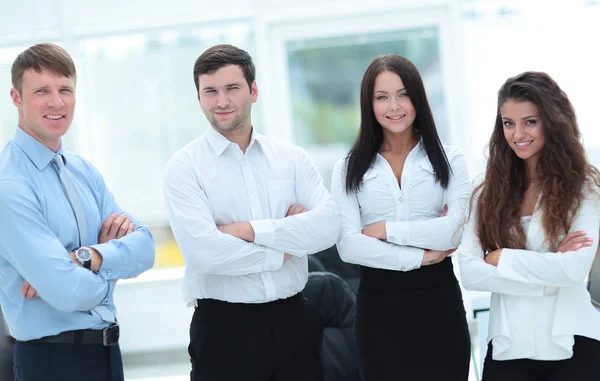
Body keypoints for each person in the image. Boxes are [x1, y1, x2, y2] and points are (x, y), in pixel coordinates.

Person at [164, 44, 340, 381]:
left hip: (294, 323)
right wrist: (286, 245)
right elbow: (205, 254)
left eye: (232, 88)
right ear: (199, 98)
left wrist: (247, 230)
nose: (222, 101)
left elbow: (329, 226)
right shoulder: (184, 168)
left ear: (253, 90)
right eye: (210, 91)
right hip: (223, 331)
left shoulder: (292, 158)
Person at [0, 43, 155, 381]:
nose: (57, 102)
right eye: (42, 91)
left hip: (106, 354)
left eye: (65, 90)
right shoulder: (8, 183)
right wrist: (111, 268)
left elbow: (145, 248)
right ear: (16, 97)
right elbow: (66, 291)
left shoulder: (82, 170)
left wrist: (86, 257)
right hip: (52, 362)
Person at [331, 54, 471, 380]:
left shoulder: (450, 160)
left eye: (403, 94)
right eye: (382, 97)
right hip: (379, 310)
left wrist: (382, 229)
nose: (394, 106)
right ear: (370, 104)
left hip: (440, 303)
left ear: (418, 97)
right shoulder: (348, 169)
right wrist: (421, 257)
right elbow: (349, 247)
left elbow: (452, 232)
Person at [458, 71, 600, 380]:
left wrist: (502, 259)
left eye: (530, 121)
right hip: (508, 347)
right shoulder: (484, 188)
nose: (518, 133)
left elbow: (574, 269)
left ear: (552, 121)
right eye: (509, 123)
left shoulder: (585, 185)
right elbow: (469, 273)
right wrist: (550, 273)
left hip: (576, 342)